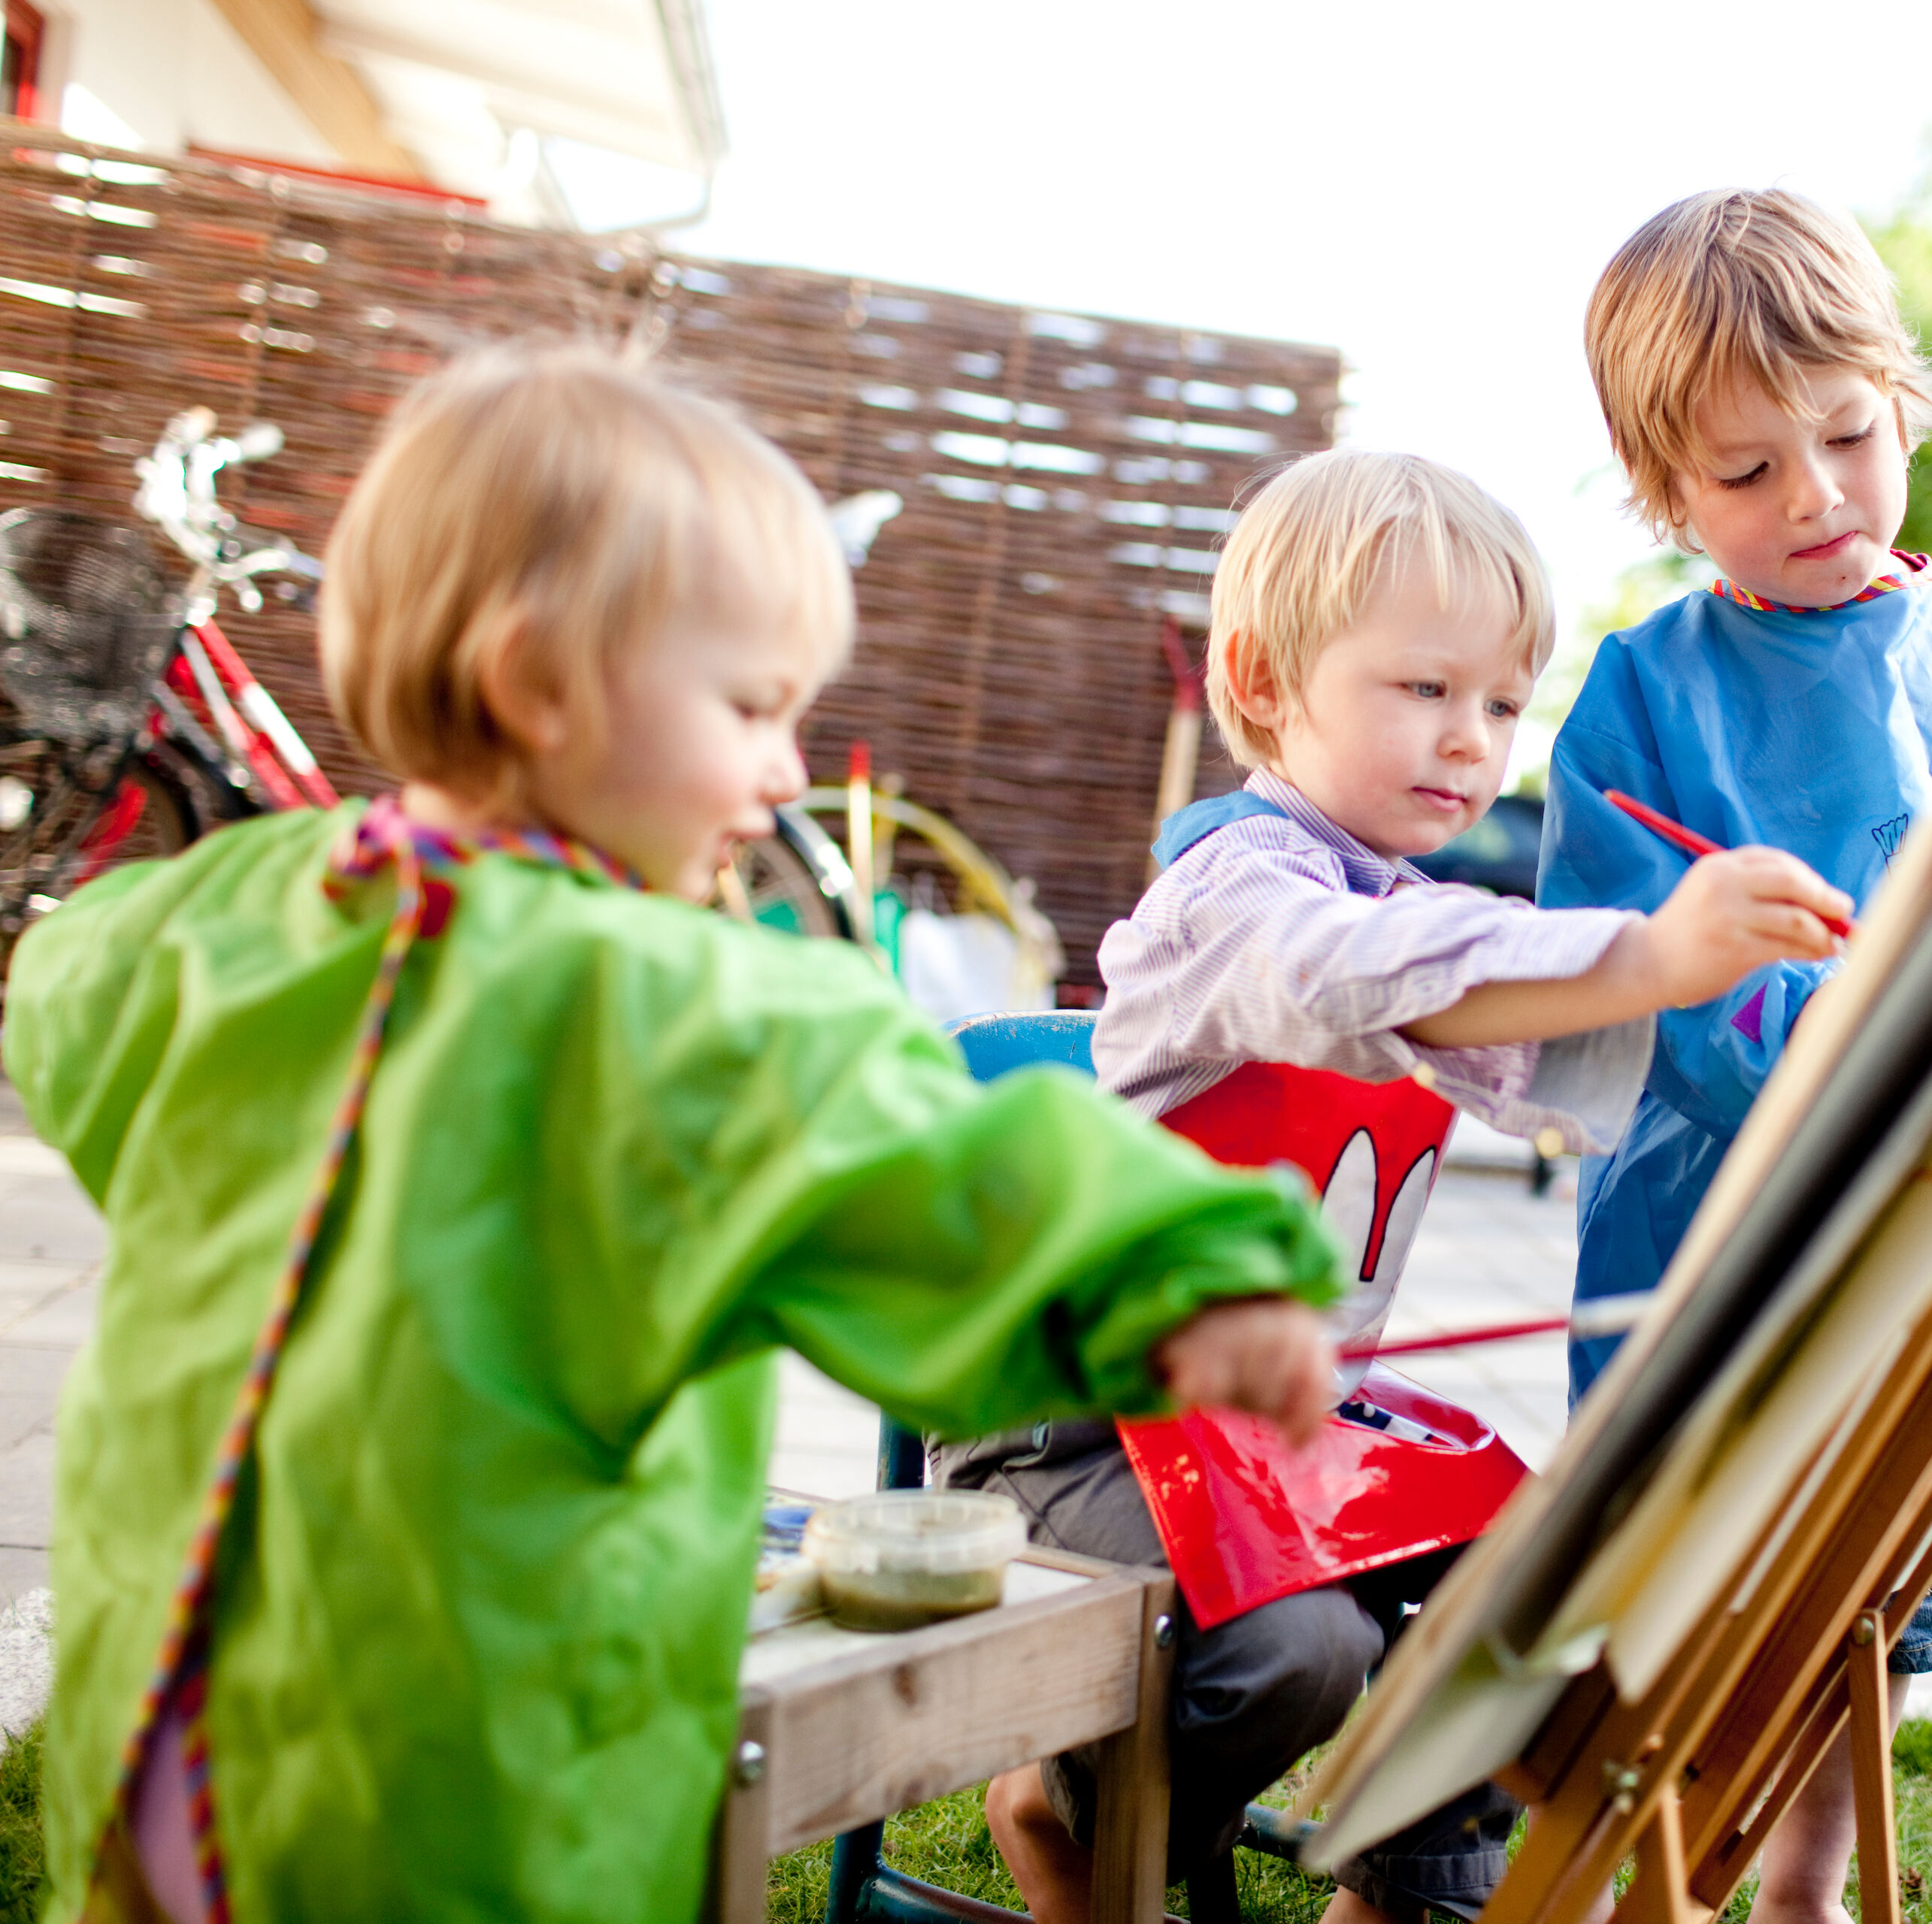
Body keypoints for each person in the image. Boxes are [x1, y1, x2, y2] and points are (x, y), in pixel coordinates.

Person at [1, 345, 1348, 1924]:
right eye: (754, 707)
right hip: (483, 1766)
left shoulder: (212, 917)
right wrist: (1190, 1273)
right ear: (538, 684)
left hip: (176, 1723)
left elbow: (61, 1004)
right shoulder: (684, 1006)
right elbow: (951, 1182)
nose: (786, 769)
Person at [946, 447, 1849, 1924]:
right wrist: (1641, 950)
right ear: (1262, 679)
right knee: (1295, 1650)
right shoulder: (1237, 893)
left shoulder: (1414, 908)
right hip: (1083, 1429)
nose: (1471, 740)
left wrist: (1795, 1032)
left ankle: (1398, 1892)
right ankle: (1072, 1809)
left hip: (1273, 1431)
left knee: (1535, 1576)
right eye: (1425, 687)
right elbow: (1362, 975)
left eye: (1501, 705)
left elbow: (1544, 1050)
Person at [1538, 189, 1932, 1924]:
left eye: (1848, 434)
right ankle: (1673, 1867)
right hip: (1716, 1223)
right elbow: (1629, 971)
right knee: (1705, 1581)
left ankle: (1808, 1885)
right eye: (1748, 471)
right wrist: (1828, 1071)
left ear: (1904, 402)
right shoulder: (1644, 690)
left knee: (1885, 1569)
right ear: (1664, 489)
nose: (1816, 495)